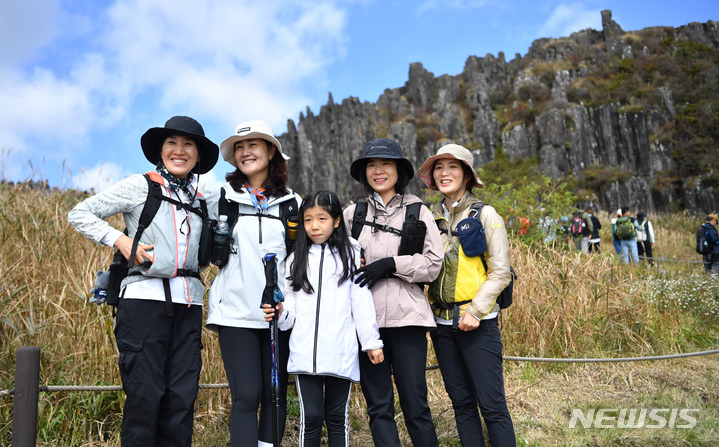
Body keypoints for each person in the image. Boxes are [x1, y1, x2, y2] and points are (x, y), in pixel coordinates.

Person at [68, 116, 219, 445]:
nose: (179, 151)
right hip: (142, 304)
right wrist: (119, 241)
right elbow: (79, 213)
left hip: (190, 306)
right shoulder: (140, 186)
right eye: (171, 143)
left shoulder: (204, 200)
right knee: (144, 399)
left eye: (188, 144)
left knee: (181, 401)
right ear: (160, 150)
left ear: (198, 155)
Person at [205, 120, 302, 447]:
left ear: (271, 151)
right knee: (247, 395)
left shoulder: (293, 203)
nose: (246, 152)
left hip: (279, 314)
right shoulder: (221, 197)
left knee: (275, 397)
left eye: (253, 145)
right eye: (239, 148)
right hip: (234, 313)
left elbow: (303, 258)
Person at [263, 190, 384, 447]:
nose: (315, 226)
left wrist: (372, 342)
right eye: (308, 220)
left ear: (337, 221)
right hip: (305, 350)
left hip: (341, 348)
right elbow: (291, 308)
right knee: (312, 417)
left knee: (337, 417)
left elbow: (360, 300)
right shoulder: (296, 258)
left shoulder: (352, 253)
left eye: (321, 219)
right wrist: (281, 313)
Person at [343, 138, 443, 447]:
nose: (378, 171)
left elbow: (433, 264)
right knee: (379, 406)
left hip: (408, 320)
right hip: (366, 322)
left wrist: (389, 264)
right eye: (372, 165)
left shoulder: (418, 211)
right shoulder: (351, 215)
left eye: (386, 164)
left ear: (399, 171)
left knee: (415, 403)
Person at [417, 143, 516, 447]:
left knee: (492, 405)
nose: (444, 173)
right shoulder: (428, 218)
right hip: (442, 324)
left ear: (468, 175)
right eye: (438, 168)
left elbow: (501, 271)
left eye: (453, 167)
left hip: (478, 323)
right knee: (461, 404)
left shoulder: (486, 215)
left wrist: (475, 311)